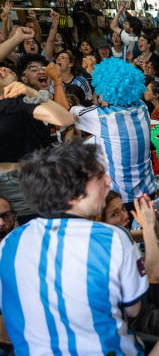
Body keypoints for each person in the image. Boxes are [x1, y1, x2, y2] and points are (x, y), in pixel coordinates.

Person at [0, 142, 148, 354]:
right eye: (99, 176)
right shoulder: (112, 239)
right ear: (73, 194)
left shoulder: (8, 244)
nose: (109, 181)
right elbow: (133, 310)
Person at [100, 191, 159, 337]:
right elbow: (155, 275)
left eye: (122, 209)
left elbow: (155, 234)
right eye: (114, 214)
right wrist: (147, 225)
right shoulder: (109, 244)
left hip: (148, 294)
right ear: (101, 223)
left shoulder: (122, 234)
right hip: (142, 321)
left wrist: (153, 221)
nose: (125, 215)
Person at [70, 57, 157, 206]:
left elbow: (67, 112)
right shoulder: (142, 108)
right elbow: (120, 85)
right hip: (148, 192)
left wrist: (57, 80)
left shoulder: (104, 118)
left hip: (120, 199)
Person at [0, 65, 73, 222]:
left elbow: (65, 119)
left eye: (9, 70)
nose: (3, 70)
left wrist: (31, 92)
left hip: (21, 185)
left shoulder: (19, 102)